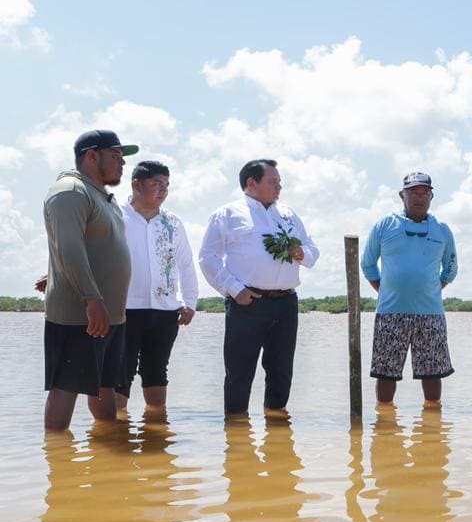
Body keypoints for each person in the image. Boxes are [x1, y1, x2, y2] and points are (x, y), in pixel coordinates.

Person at [198, 159, 318, 416]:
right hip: (247, 302)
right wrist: (234, 289)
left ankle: (277, 429)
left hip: (286, 303)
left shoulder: (288, 214)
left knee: (281, 371)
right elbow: (208, 258)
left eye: (280, 182)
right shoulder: (227, 214)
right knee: (239, 372)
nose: (279, 187)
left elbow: (312, 250)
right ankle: (237, 431)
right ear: (251, 183)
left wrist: (302, 253)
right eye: (273, 182)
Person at [41, 130, 138, 431]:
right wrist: (91, 299)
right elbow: (69, 248)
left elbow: (94, 248)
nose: (122, 163)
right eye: (116, 156)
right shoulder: (70, 191)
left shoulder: (104, 197)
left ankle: (106, 452)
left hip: (111, 316)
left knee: (105, 387)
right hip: (79, 316)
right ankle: (57, 456)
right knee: (65, 388)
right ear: (92, 156)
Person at [361, 172, 458, 406]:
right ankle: (385, 419)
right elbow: (367, 264)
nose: (419, 197)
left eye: (424, 192)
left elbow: (451, 268)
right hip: (390, 313)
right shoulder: (384, 225)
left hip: (431, 314)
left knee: (433, 373)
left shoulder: (442, 230)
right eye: (413, 192)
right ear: (402, 195)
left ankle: (432, 422)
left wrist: (433, 288)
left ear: (431, 197)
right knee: (385, 373)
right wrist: (385, 290)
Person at [114, 160, 199, 414]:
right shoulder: (115, 215)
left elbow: (186, 263)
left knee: (156, 371)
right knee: (120, 373)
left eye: (166, 185)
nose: (163, 190)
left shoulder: (172, 222)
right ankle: (116, 431)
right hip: (124, 309)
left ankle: (156, 429)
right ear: (137, 185)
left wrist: (190, 302)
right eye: (156, 184)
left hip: (165, 310)